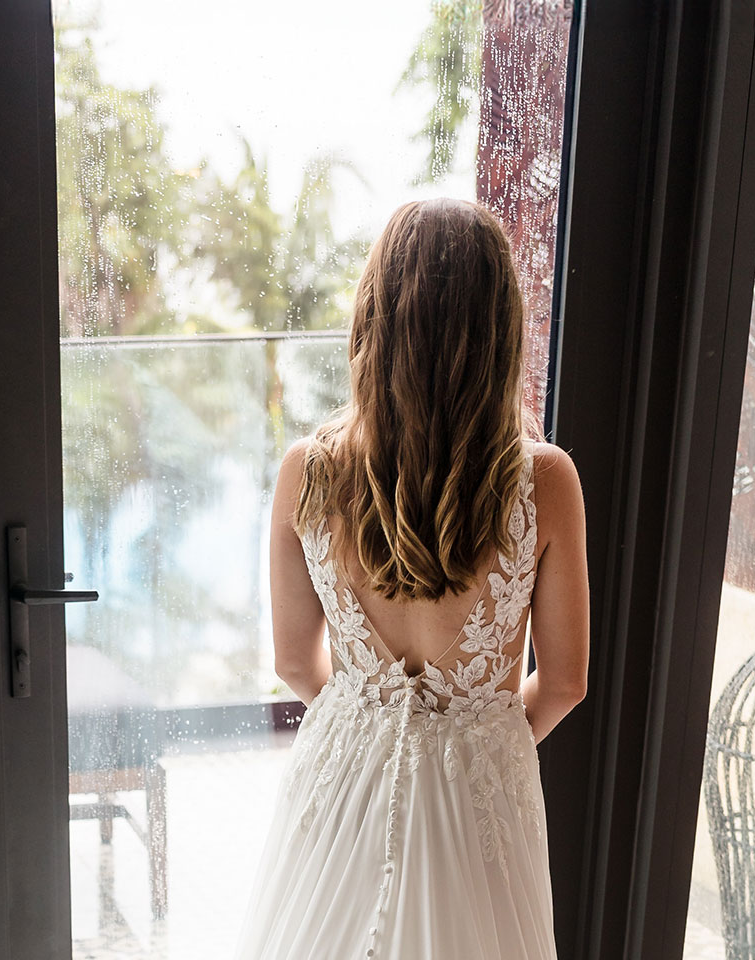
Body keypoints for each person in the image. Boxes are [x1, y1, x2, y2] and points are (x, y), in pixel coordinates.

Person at [235, 198, 591, 960]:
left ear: (374, 317)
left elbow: (295, 662)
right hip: (479, 800)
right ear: (500, 330)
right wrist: (475, 738)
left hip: (343, 783)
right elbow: (564, 682)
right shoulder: (547, 482)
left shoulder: (308, 472)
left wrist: (371, 724)